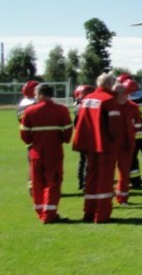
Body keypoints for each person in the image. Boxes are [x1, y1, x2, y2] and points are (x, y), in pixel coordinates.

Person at [72, 73, 123, 223]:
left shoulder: (86, 99)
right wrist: (117, 143)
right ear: (109, 85)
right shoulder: (109, 101)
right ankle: (101, 214)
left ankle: (89, 211)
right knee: (105, 180)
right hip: (105, 146)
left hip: (89, 145)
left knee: (91, 179)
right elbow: (115, 128)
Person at [20, 83, 73, 224]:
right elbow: (67, 133)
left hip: (36, 152)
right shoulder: (61, 110)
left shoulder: (30, 111)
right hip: (54, 152)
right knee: (53, 183)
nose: (35, 97)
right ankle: (49, 214)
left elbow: (24, 135)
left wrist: (34, 142)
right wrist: (60, 140)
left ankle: (41, 211)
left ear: (41, 94)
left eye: (36, 94)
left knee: (38, 183)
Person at [113, 79, 141, 205]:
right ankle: (106, 198)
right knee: (107, 173)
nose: (120, 95)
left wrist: (131, 132)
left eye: (122, 92)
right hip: (111, 144)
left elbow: (139, 123)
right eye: (116, 93)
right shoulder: (108, 105)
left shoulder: (133, 107)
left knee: (124, 173)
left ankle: (122, 197)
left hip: (127, 144)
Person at [18, 80, 40, 195]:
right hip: (39, 138)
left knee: (32, 165)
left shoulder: (22, 104)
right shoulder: (34, 104)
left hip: (28, 137)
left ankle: (32, 187)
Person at [72, 84, 95, 190]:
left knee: (83, 160)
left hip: (81, 136)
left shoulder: (77, 106)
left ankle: (81, 183)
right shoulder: (84, 106)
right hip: (89, 136)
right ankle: (86, 183)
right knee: (87, 160)